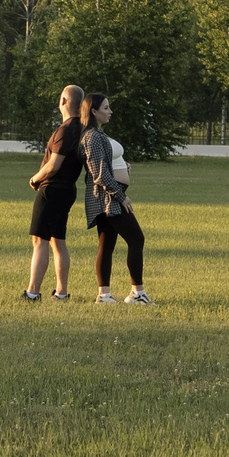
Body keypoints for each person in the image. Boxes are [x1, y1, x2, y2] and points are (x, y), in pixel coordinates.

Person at [84, 92, 150, 305]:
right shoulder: (93, 137)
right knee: (136, 239)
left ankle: (104, 295)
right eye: (105, 108)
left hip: (110, 195)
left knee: (107, 244)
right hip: (108, 198)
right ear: (94, 111)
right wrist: (122, 197)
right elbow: (99, 174)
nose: (110, 111)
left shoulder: (98, 135)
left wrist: (124, 167)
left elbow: (107, 165)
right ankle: (137, 294)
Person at [23, 84, 88, 301]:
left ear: (62, 101)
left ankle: (32, 292)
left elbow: (53, 165)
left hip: (52, 190)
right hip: (68, 190)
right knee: (57, 240)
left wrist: (35, 178)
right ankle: (61, 293)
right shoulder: (83, 128)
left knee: (39, 240)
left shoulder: (66, 129)